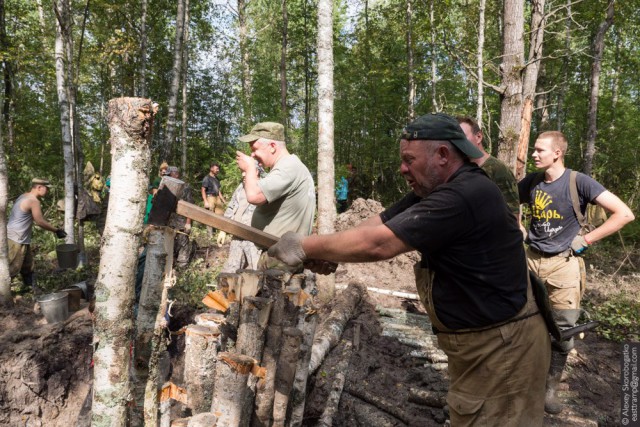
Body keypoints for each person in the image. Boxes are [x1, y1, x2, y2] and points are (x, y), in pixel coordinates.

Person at [267, 113, 550, 426]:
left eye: (409, 159)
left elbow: (380, 244)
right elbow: (380, 222)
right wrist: (331, 251)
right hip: (485, 343)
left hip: (503, 351)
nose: (402, 168)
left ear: (442, 155)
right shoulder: (436, 189)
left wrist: (304, 246)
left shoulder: (464, 195)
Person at [518, 130, 635, 414]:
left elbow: (624, 213)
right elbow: (506, 201)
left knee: (563, 330)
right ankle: (523, 383)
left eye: (540, 150)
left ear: (557, 153)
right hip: (529, 262)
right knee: (521, 325)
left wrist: (587, 239)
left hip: (563, 266)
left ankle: (550, 389)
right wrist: (517, 227)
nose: (534, 154)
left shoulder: (578, 181)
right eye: (533, 149)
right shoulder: (532, 182)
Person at [235, 121, 315, 238]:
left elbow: (254, 196)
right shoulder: (290, 165)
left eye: (254, 149)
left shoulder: (288, 167)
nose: (252, 155)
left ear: (272, 147)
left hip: (283, 253)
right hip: (284, 250)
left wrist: (249, 168)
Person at [7, 178, 67, 293]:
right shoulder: (33, 201)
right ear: (39, 187)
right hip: (16, 239)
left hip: (19, 237)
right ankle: (4, 295)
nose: (47, 191)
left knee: (28, 266)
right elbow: (39, 221)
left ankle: (30, 290)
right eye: (47, 189)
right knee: (12, 268)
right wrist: (56, 230)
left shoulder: (23, 196)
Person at [457, 116, 520, 218]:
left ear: (478, 137)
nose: (458, 142)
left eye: (462, 137)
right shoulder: (458, 168)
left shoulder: (498, 169)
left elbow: (513, 214)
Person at [219, 166, 264, 273]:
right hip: (237, 235)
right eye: (242, 171)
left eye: (246, 171)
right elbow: (231, 206)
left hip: (254, 238)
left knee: (257, 270)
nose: (243, 174)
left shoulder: (264, 187)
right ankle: (230, 289)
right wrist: (223, 229)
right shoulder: (240, 187)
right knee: (231, 270)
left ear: (256, 172)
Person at [167, 166, 195, 268]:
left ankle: (182, 269)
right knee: (170, 247)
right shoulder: (167, 186)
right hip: (169, 223)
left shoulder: (185, 187)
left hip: (182, 222)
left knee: (183, 245)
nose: (169, 177)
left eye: (170, 175)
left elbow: (190, 206)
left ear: (176, 174)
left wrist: (188, 223)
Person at [201, 162, 226, 236]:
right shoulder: (207, 178)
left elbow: (218, 191)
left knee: (220, 215)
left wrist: (223, 200)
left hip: (217, 198)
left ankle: (219, 233)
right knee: (209, 216)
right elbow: (203, 190)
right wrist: (205, 201)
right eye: (216, 168)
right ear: (211, 168)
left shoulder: (216, 179)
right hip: (210, 197)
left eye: (218, 169)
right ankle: (210, 235)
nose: (218, 170)